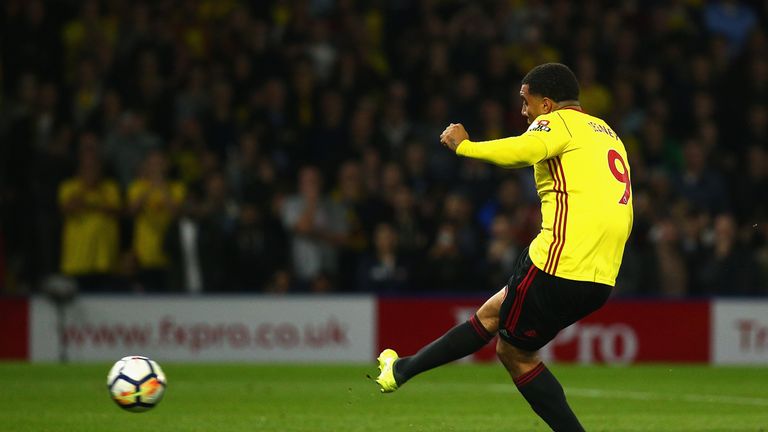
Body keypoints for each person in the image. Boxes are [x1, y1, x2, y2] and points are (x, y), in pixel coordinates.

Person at [373, 63, 634, 432]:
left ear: (547, 103)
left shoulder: (557, 123)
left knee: (514, 354)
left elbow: (522, 150)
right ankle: (400, 370)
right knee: (493, 312)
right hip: (601, 277)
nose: (524, 112)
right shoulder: (608, 133)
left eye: (526, 102)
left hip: (557, 263)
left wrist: (465, 146)